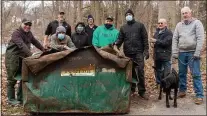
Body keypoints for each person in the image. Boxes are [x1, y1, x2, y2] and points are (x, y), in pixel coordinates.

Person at [5, 18, 45, 105]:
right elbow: (21, 45)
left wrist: (43, 49)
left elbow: (35, 42)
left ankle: (20, 98)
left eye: (29, 25)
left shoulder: (29, 34)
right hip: (13, 58)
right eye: (26, 24)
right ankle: (11, 99)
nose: (28, 26)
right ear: (21, 24)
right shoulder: (16, 33)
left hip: (23, 58)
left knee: (23, 77)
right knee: (12, 78)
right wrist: (31, 54)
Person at [113, 9, 149, 100]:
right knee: (130, 72)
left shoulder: (140, 26)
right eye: (127, 15)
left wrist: (146, 51)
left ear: (133, 15)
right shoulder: (123, 28)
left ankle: (142, 91)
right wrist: (116, 45)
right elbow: (120, 39)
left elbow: (145, 39)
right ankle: (131, 90)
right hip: (128, 53)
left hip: (138, 53)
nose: (128, 16)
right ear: (125, 17)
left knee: (140, 71)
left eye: (130, 14)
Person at [172, 6, 204, 105]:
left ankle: (199, 95)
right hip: (181, 53)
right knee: (181, 73)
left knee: (196, 74)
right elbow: (175, 39)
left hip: (193, 53)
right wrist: (174, 52)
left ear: (190, 13)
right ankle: (182, 91)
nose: (185, 15)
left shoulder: (197, 23)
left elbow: (200, 38)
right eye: (183, 13)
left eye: (186, 13)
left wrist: (197, 52)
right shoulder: (179, 25)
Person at [149, 18, 173, 89]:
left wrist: (156, 41)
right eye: (159, 23)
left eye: (161, 23)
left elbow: (166, 43)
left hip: (165, 56)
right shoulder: (156, 32)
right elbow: (154, 42)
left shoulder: (169, 33)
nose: (160, 24)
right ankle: (159, 84)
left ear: (165, 24)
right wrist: (152, 44)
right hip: (157, 56)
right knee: (157, 71)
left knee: (167, 72)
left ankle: (167, 86)